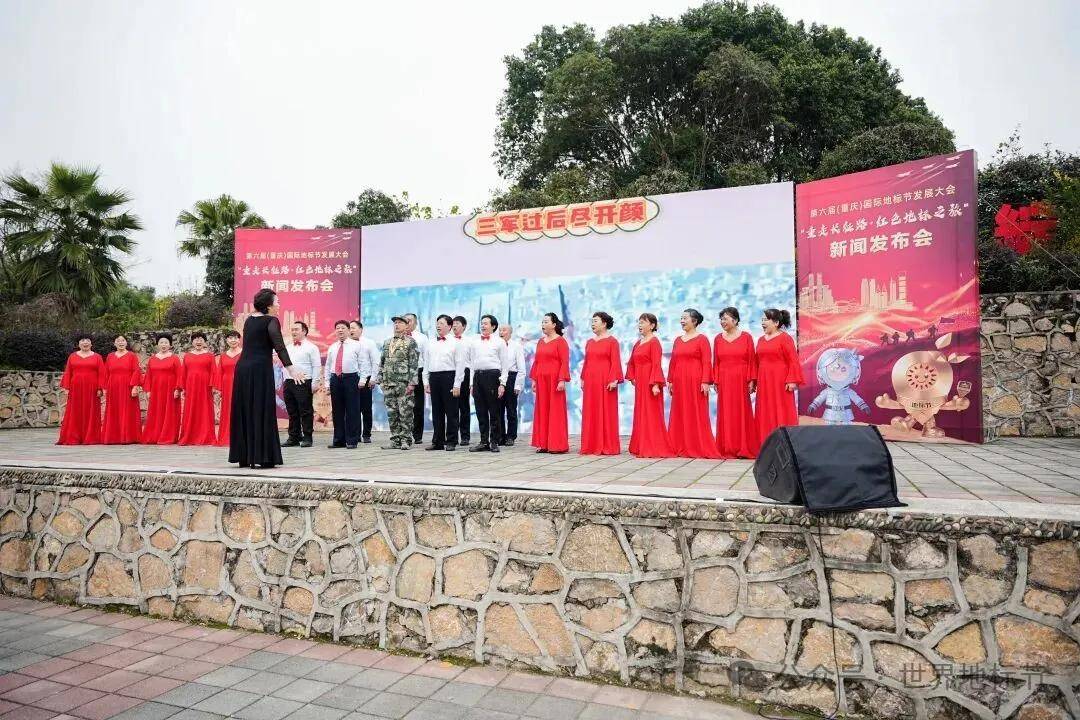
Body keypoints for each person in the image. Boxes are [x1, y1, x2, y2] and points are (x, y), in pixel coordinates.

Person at [229, 289, 303, 468]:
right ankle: (263, 456)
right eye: (277, 302)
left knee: (246, 409)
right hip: (259, 370)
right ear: (269, 306)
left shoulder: (249, 320)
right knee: (262, 409)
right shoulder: (271, 320)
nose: (279, 305)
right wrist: (291, 369)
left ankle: (246, 456)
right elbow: (279, 346)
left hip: (243, 369)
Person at [667, 309, 721, 458]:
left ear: (694, 321)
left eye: (685, 318)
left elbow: (706, 362)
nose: (682, 321)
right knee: (679, 411)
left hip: (695, 380)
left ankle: (697, 445)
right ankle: (679, 444)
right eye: (681, 318)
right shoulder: (678, 340)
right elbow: (673, 362)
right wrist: (670, 380)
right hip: (679, 380)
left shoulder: (702, 339)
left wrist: (706, 381)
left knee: (696, 411)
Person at [713, 307, 759, 459]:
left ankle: (743, 447)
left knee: (741, 411)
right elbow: (716, 362)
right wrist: (716, 380)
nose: (722, 322)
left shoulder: (746, 337)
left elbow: (752, 360)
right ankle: (727, 447)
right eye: (721, 319)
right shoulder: (718, 339)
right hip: (724, 379)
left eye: (725, 319)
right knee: (725, 412)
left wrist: (751, 380)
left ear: (735, 320)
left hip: (741, 379)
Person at [625, 313, 674, 458]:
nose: (639, 325)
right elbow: (631, 362)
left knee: (651, 413)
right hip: (640, 382)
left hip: (650, 382)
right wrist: (632, 376)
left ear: (652, 325)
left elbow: (656, 364)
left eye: (643, 322)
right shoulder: (638, 343)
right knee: (641, 412)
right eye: (639, 322)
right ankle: (641, 444)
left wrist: (656, 384)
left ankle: (653, 445)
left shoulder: (654, 342)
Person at [755, 308, 804, 442]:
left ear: (776, 323)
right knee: (765, 410)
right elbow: (756, 362)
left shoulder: (785, 338)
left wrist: (792, 380)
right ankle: (765, 442)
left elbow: (793, 360)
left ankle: (785, 443)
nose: (763, 322)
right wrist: (754, 381)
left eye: (766, 320)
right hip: (764, 380)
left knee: (781, 409)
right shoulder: (760, 340)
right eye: (762, 320)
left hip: (780, 380)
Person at [579, 312, 623, 455]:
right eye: (592, 321)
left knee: (606, 412)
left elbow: (615, 362)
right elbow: (587, 362)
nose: (592, 324)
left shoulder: (612, 341)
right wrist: (583, 378)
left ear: (604, 324)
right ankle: (591, 445)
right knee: (591, 411)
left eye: (595, 321)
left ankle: (608, 445)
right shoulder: (590, 342)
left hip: (605, 380)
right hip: (591, 380)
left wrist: (614, 379)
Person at [467, 314, 510, 453]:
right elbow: (472, 364)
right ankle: (483, 441)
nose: (483, 326)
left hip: (493, 377)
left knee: (494, 411)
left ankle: (494, 441)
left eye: (486, 323)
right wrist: (471, 384)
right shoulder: (475, 342)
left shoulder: (500, 342)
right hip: (478, 377)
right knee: (480, 411)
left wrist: (502, 383)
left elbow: (505, 365)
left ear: (493, 326)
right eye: (482, 323)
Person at [529, 312, 570, 454]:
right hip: (541, 380)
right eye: (542, 322)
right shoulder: (541, 341)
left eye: (546, 322)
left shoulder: (561, 341)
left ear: (554, 324)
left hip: (555, 381)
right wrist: (534, 379)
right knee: (542, 410)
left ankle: (557, 445)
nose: (543, 324)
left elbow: (564, 362)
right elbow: (537, 361)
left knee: (556, 411)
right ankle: (544, 444)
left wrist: (561, 380)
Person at [423, 314, 465, 451]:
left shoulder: (456, 343)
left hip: (449, 377)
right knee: (436, 411)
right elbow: (426, 363)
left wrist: (457, 384)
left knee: (451, 411)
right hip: (434, 377)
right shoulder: (431, 342)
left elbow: (460, 365)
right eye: (437, 323)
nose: (438, 326)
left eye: (441, 323)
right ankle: (438, 441)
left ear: (449, 326)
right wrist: (426, 381)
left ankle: (451, 440)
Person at [378, 315, 419, 450]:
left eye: (400, 323)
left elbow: (414, 363)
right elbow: (382, 362)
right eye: (395, 323)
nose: (397, 325)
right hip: (388, 383)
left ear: (407, 326)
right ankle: (395, 440)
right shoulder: (387, 342)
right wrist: (380, 380)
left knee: (405, 412)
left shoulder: (410, 342)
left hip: (403, 383)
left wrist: (412, 383)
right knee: (392, 413)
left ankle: (406, 440)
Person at [57, 334, 105, 445]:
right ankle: (74, 436)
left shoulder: (97, 357)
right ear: (79, 344)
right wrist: (67, 388)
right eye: (82, 340)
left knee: (91, 412)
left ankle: (91, 437)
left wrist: (100, 388)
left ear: (91, 344)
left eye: (87, 340)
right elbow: (68, 372)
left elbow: (102, 373)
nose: (85, 342)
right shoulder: (72, 356)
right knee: (75, 412)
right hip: (76, 389)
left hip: (92, 389)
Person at [324, 320, 363, 449]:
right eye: (337, 328)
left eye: (343, 328)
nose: (340, 330)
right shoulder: (332, 347)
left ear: (348, 330)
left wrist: (363, 380)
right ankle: (339, 440)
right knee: (337, 410)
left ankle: (352, 440)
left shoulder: (356, 345)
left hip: (351, 378)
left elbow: (363, 363)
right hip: (335, 379)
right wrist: (327, 383)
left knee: (352, 410)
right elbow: (328, 366)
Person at [283, 320, 322, 448]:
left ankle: (307, 437)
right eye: (292, 330)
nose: (293, 332)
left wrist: (315, 382)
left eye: (296, 329)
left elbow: (316, 366)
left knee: (305, 411)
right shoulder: (288, 347)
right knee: (292, 411)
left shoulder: (312, 347)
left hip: (304, 382)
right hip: (289, 381)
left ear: (304, 331)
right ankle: (294, 437)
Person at [141, 334, 183, 445]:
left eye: (166, 343)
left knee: (170, 412)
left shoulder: (174, 358)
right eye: (161, 342)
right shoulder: (152, 359)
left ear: (170, 345)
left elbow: (180, 375)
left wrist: (177, 389)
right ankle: (154, 435)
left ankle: (168, 436)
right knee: (156, 412)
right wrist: (148, 390)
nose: (163, 345)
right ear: (157, 344)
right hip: (156, 390)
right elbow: (148, 376)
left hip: (170, 389)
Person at [101, 334, 142, 445]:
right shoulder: (110, 356)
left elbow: (136, 371)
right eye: (118, 341)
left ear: (126, 343)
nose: (121, 342)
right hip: (113, 386)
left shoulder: (132, 356)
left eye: (123, 340)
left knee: (128, 410)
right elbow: (106, 372)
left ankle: (129, 436)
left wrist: (135, 386)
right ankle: (113, 437)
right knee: (114, 410)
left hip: (127, 386)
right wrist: (104, 387)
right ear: (114, 343)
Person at [178, 332, 217, 445]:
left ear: (205, 342)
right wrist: (183, 388)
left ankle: (206, 436)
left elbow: (214, 371)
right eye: (196, 339)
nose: (198, 342)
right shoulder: (187, 356)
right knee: (191, 409)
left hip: (205, 387)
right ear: (192, 342)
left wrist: (213, 386)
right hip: (191, 386)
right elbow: (183, 373)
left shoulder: (210, 356)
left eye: (201, 339)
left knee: (205, 410)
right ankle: (189, 436)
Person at [350, 320, 380, 443]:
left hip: (366, 378)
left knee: (366, 408)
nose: (351, 330)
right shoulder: (347, 344)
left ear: (361, 329)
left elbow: (376, 361)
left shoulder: (369, 343)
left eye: (353, 328)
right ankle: (355, 434)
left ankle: (366, 434)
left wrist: (373, 378)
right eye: (350, 328)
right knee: (353, 408)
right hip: (351, 378)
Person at [497, 324, 526, 446]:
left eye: (504, 330)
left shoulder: (516, 346)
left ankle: (511, 436)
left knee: (511, 409)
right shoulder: (495, 345)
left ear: (510, 332)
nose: (501, 332)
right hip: (498, 378)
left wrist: (518, 385)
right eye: (500, 330)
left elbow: (521, 368)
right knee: (498, 409)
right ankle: (500, 436)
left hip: (511, 378)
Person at [214, 330, 242, 447]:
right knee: (227, 410)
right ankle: (226, 436)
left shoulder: (244, 354)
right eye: (230, 338)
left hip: (241, 384)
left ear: (239, 340)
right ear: (226, 340)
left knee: (240, 409)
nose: (233, 340)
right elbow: (219, 373)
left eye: (235, 338)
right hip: (227, 386)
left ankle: (241, 437)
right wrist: (218, 390)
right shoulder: (223, 356)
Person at [404, 313, 428, 445]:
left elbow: (426, 358)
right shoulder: (397, 337)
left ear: (416, 323)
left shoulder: (422, 338)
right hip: (402, 374)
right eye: (405, 320)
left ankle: (417, 435)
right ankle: (403, 434)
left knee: (418, 406)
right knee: (402, 405)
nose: (407, 323)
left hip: (418, 372)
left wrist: (425, 378)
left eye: (410, 321)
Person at [451, 316, 472, 446]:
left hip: (465, 373)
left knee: (464, 406)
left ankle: (465, 436)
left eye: (457, 323)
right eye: (453, 323)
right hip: (450, 373)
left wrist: (471, 382)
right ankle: (452, 436)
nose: (454, 326)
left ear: (464, 326)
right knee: (451, 406)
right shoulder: (448, 340)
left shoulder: (469, 341)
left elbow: (473, 360)